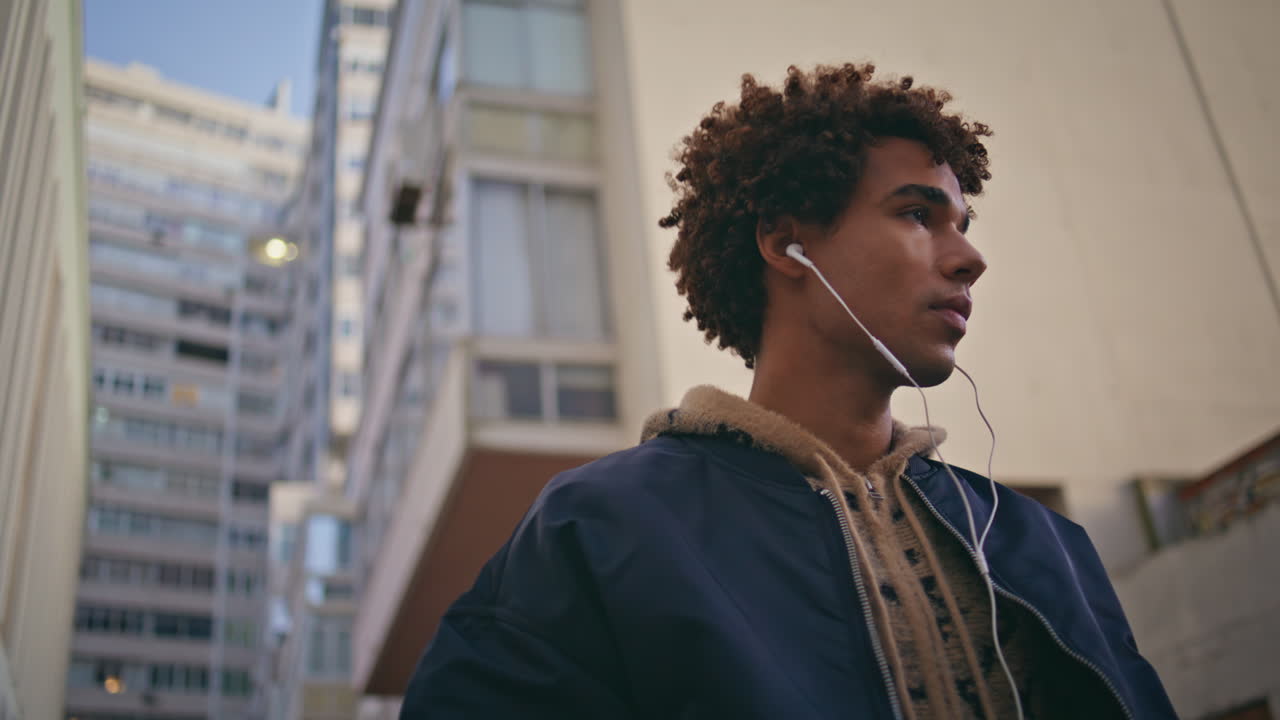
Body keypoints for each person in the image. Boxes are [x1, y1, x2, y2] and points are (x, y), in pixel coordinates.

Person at [399, 63, 1176, 719]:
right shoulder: (602, 529)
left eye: (964, 223)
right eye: (917, 213)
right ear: (785, 244)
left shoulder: (1042, 544)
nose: (969, 256)